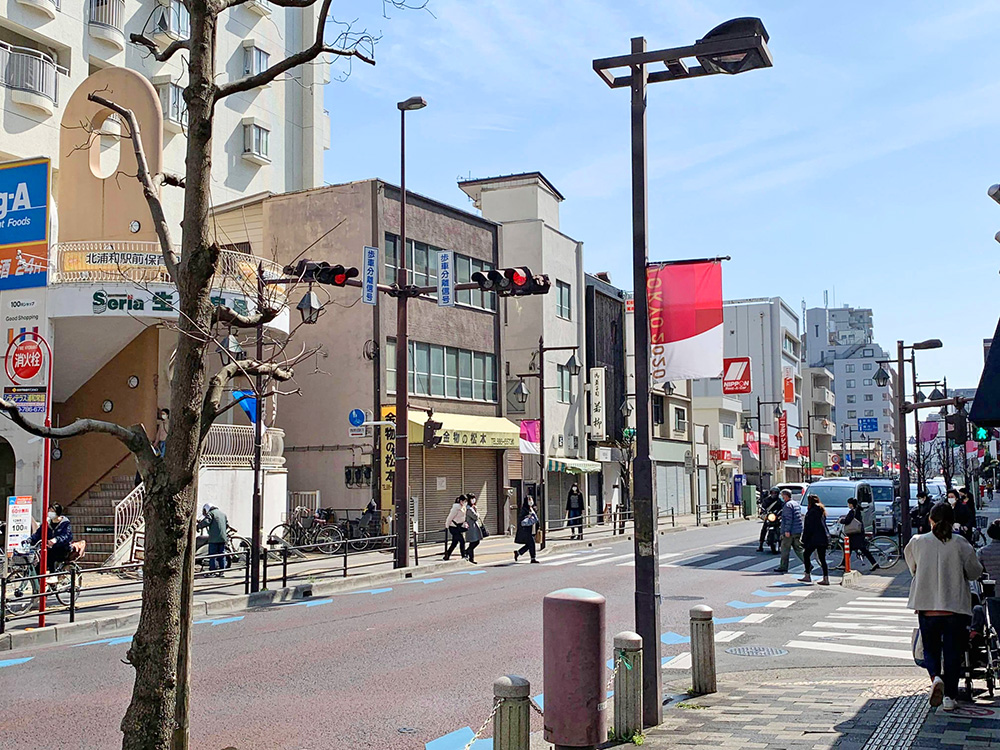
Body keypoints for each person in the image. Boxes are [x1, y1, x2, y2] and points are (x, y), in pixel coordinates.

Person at [905, 501, 984, 711]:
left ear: (930, 519)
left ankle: (935, 678)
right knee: (952, 652)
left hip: (927, 605)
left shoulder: (917, 541)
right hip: (955, 607)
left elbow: (913, 568)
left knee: (930, 650)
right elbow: (975, 572)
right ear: (952, 521)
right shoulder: (960, 543)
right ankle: (949, 696)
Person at [836, 497, 879, 570]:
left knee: (861, 549)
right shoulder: (857, 510)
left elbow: (847, 520)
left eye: (849, 504)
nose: (848, 505)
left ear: (851, 504)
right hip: (858, 532)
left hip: (855, 534)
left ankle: (874, 563)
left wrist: (841, 520)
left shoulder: (852, 512)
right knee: (851, 549)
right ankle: (844, 564)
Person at [29, 504, 73, 573]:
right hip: (48, 548)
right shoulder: (47, 523)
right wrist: (30, 540)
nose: (50, 513)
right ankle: (39, 581)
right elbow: (38, 534)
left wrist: (56, 540)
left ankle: (53, 577)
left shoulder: (65, 523)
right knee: (38, 562)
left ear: (57, 512)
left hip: (62, 549)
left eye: (52, 511)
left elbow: (67, 536)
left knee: (51, 559)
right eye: (49, 510)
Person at [799, 494, 831, 585]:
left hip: (813, 538)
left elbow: (808, 527)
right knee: (822, 559)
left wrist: (804, 539)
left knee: (806, 555)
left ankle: (807, 575)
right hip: (823, 537)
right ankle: (826, 578)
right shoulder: (821, 510)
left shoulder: (811, 512)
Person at [775, 489, 805, 574]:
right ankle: (808, 564)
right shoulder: (796, 504)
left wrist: (786, 531)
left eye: (782, 495)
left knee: (785, 549)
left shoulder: (787, 505)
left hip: (790, 532)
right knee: (799, 549)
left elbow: (788, 519)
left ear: (785, 496)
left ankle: (783, 567)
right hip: (797, 530)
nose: (782, 497)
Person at [197, 503, 229, 574]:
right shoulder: (223, 514)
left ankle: (212, 571)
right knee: (221, 554)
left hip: (214, 539)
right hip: (223, 538)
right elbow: (227, 525)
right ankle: (222, 571)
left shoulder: (211, 514)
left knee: (213, 555)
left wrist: (198, 526)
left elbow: (206, 521)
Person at [514, 497, 539, 563]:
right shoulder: (524, 509)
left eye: (531, 500)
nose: (531, 501)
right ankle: (533, 558)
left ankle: (518, 552)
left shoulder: (532, 508)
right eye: (529, 500)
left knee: (529, 544)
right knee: (532, 543)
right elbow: (522, 519)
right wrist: (528, 515)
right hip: (526, 530)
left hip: (532, 528)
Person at [443, 495, 468, 561]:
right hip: (453, 527)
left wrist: (465, 523)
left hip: (459, 526)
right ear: (460, 501)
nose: (465, 502)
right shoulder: (456, 508)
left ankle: (447, 555)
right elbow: (450, 517)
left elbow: (463, 518)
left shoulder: (464, 507)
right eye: (464, 501)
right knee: (462, 541)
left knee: (454, 543)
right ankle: (463, 555)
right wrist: (447, 526)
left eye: (466, 501)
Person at [757, 488, 782, 553]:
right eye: (772, 493)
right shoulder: (767, 500)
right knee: (764, 529)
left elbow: (783, 508)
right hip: (769, 517)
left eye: (775, 493)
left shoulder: (779, 501)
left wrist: (781, 514)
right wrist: (762, 512)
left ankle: (781, 543)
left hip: (776, 517)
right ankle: (760, 545)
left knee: (782, 528)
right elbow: (763, 507)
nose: (774, 494)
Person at [464, 494, 486, 564]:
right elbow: (475, 517)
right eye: (472, 498)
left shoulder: (470, 508)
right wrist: (476, 511)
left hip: (473, 527)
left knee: (473, 543)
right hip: (471, 527)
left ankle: (470, 557)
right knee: (475, 542)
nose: (473, 500)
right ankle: (467, 552)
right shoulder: (469, 509)